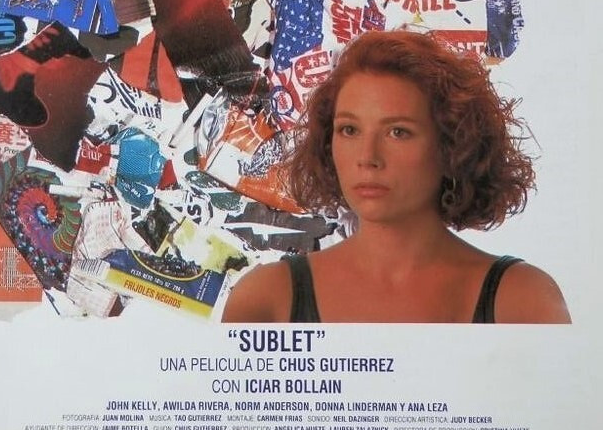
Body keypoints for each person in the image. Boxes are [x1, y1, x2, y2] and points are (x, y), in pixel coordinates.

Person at [222, 30, 570, 323]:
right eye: (349, 130)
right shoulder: (266, 299)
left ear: (453, 145)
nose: (368, 158)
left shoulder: (522, 300)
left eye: (398, 132)